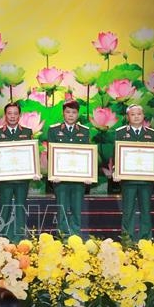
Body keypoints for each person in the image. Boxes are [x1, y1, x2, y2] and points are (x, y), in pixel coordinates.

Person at [114, 104, 154, 240]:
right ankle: (127, 239)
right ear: (128, 117)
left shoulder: (151, 133)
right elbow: (116, 153)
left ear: (143, 116)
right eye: (133, 114)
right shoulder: (120, 132)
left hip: (146, 180)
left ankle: (146, 239)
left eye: (139, 114)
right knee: (128, 211)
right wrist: (116, 170)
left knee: (146, 210)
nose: (136, 117)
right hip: (128, 180)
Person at [0, 102, 33, 242]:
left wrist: (34, 170)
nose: (12, 116)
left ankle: (19, 238)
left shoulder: (27, 132)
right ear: (5, 115)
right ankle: (4, 238)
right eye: (9, 113)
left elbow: (31, 154)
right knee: (5, 208)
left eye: (15, 113)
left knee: (20, 207)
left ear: (19, 115)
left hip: (22, 179)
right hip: (4, 179)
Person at [47, 100, 91, 237]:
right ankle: (63, 237)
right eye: (68, 112)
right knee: (62, 210)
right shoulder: (54, 130)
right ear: (63, 113)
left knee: (76, 209)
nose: (71, 115)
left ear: (78, 114)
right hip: (60, 179)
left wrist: (88, 175)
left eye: (74, 112)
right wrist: (53, 173)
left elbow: (88, 154)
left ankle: (75, 237)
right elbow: (51, 154)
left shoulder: (84, 131)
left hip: (78, 179)